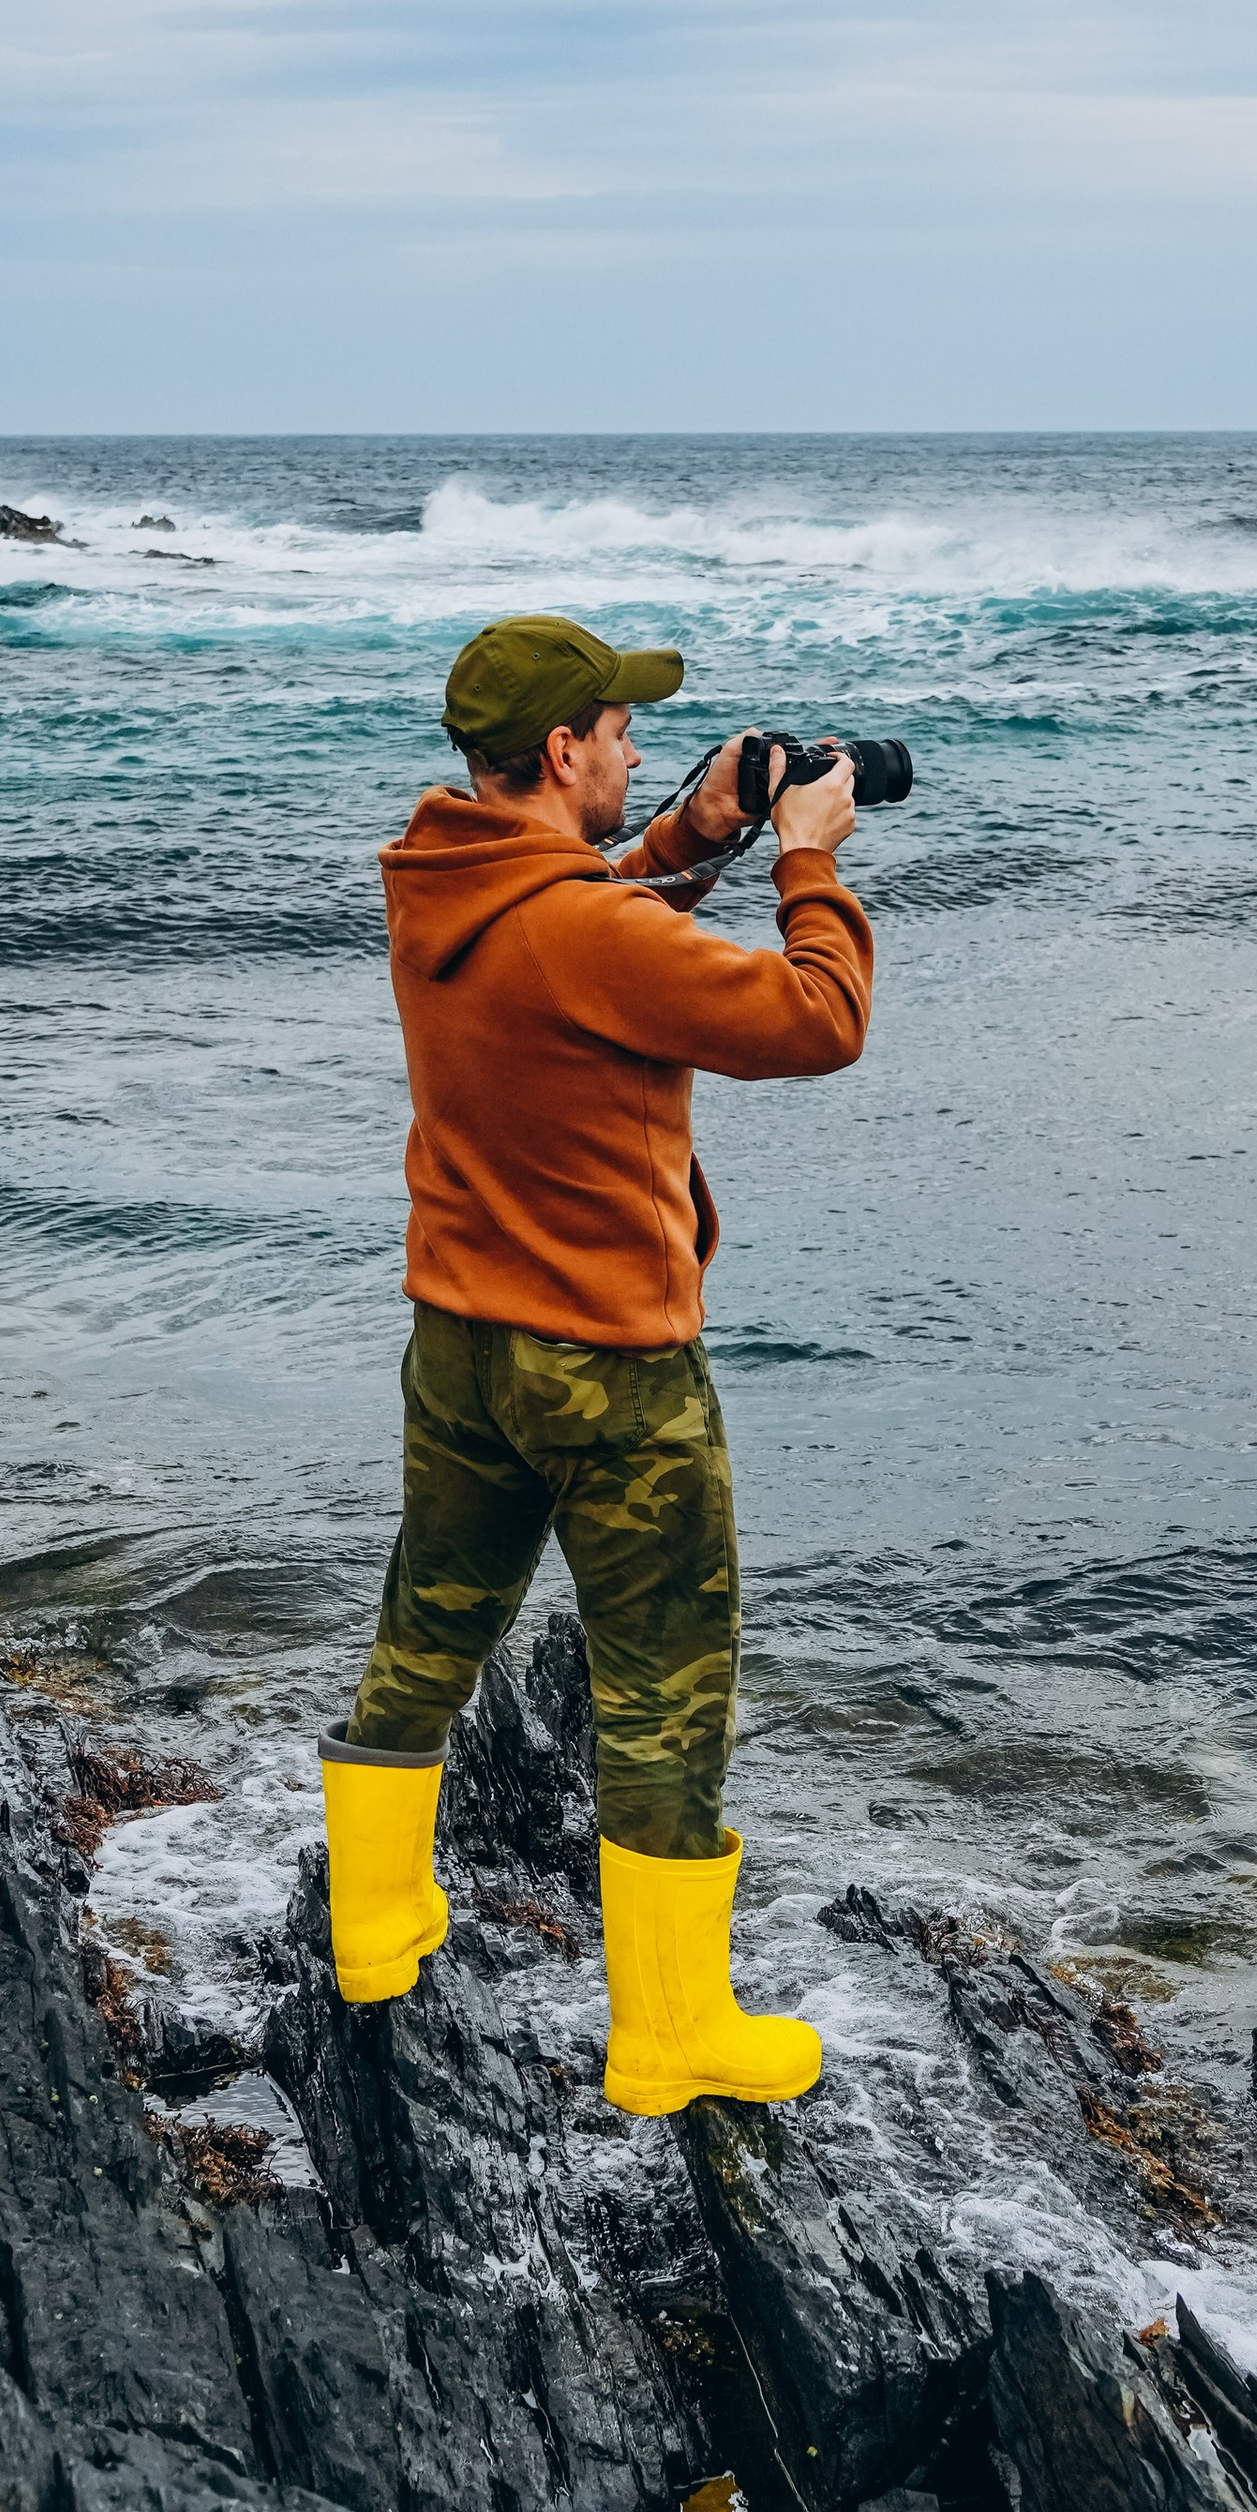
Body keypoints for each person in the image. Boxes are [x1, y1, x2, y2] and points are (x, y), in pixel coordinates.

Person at [319, 610, 873, 2116]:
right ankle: (671, 2033)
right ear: (563, 751)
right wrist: (807, 857)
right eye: (623, 734)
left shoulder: (438, 884)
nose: (636, 749)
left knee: (430, 1628)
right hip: (610, 1370)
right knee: (664, 1688)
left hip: (461, 1344)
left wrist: (693, 832)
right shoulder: (587, 931)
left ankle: (372, 1931)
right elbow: (818, 1021)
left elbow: (572, 919)